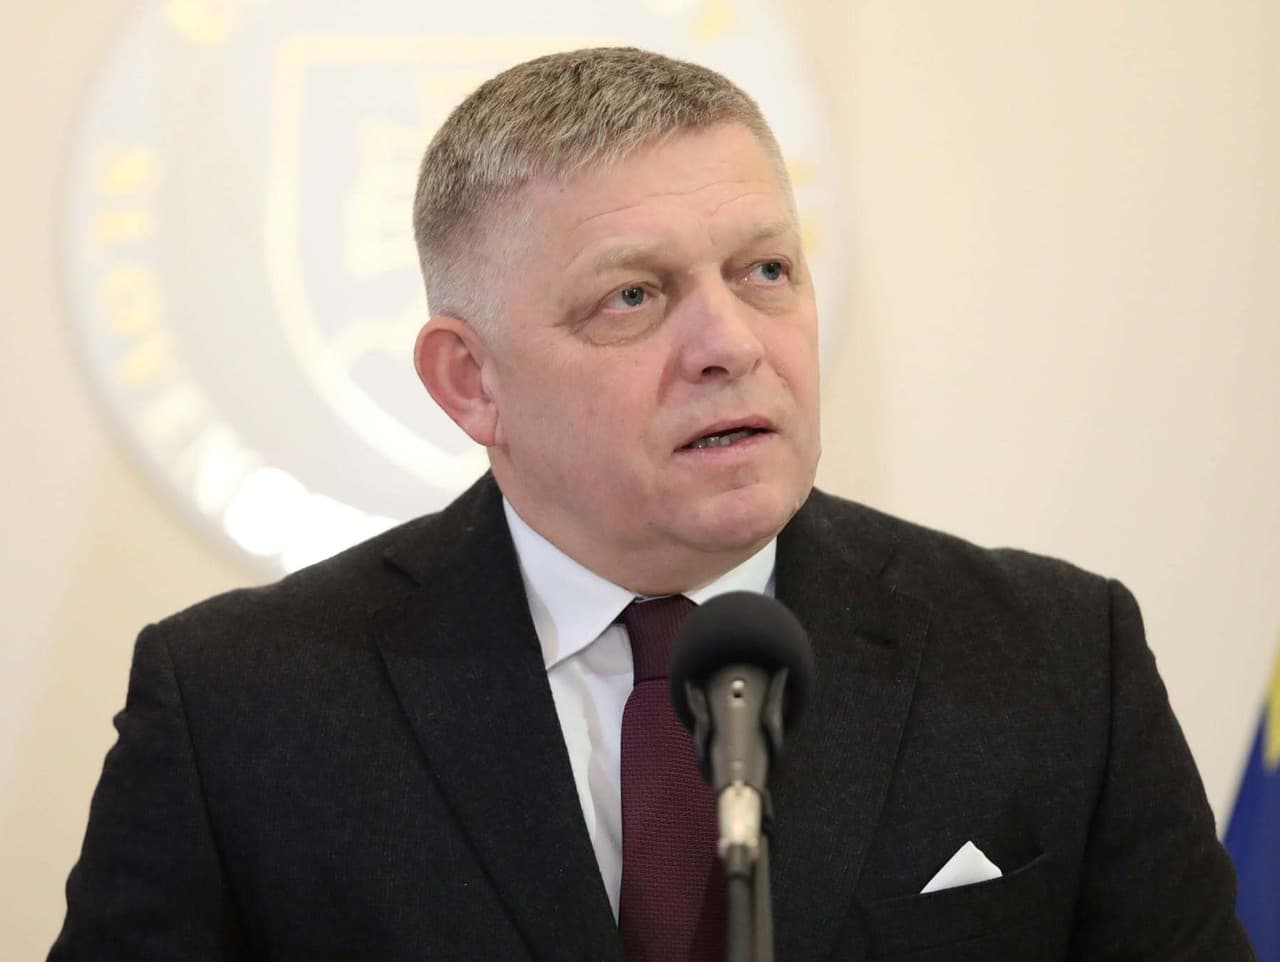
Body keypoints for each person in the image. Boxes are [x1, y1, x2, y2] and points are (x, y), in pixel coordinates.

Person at [49, 47, 1253, 962]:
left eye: (764, 270)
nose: (730, 342)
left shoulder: (1052, 657)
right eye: (632, 295)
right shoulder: (240, 709)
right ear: (470, 381)